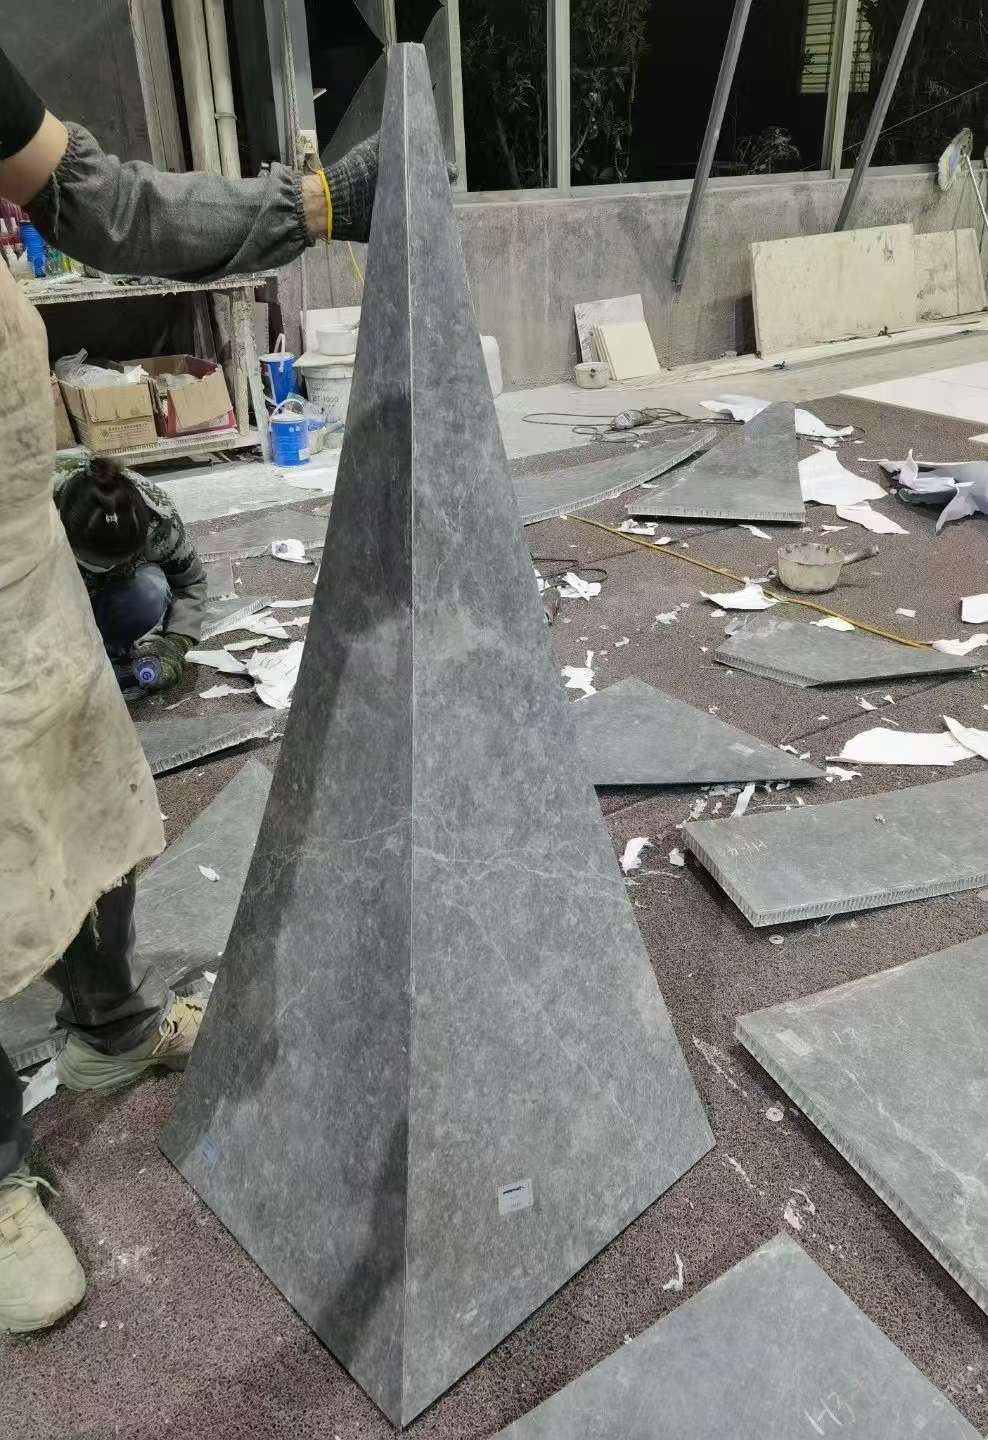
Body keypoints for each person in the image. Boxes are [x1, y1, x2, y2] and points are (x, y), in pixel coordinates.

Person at [0, 43, 381, 1333]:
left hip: (13, 541)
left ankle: (106, 1025)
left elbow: (100, 201)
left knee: (93, 791)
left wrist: (309, 205)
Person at [55, 458, 207, 691]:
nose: (105, 568)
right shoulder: (26, 517)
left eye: (114, 563)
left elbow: (189, 583)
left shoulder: (159, 519)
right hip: (50, 593)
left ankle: (111, 647)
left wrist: (177, 640)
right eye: (97, 563)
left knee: (150, 591)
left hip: (115, 593)